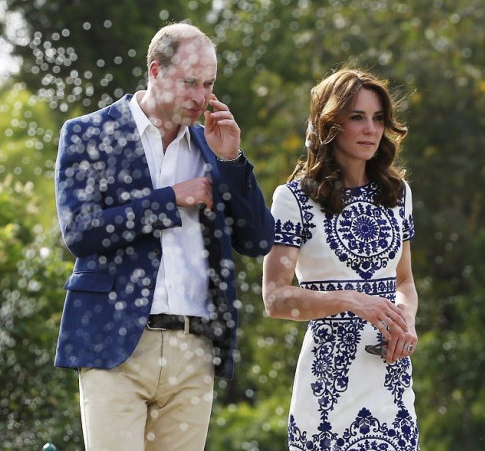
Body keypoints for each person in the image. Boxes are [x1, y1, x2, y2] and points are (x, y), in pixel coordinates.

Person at [53, 22, 274, 451]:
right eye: (190, 83)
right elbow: (80, 232)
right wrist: (169, 200)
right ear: (155, 72)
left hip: (194, 351)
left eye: (209, 84)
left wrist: (232, 160)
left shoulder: (214, 145)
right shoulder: (88, 133)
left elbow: (258, 240)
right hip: (114, 346)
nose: (202, 97)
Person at [262, 68, 420, 450]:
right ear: (330, 122)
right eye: (357, 117)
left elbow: (404, 282)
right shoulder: (294, 200)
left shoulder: (397, 194)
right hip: (327, 386)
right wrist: (350, 300)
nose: (371, 129)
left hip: (391, 384)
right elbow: (275, 299)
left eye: (378, 118)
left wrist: (406, 322)